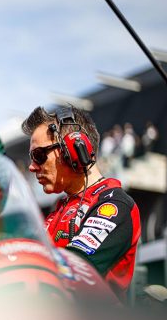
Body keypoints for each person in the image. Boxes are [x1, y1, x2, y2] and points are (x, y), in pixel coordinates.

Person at [21, 106, 141, 301]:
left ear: (75, 149)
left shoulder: (115, 204)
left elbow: (76, 268)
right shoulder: (58, 209)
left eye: (39, 155)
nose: (32, 167)